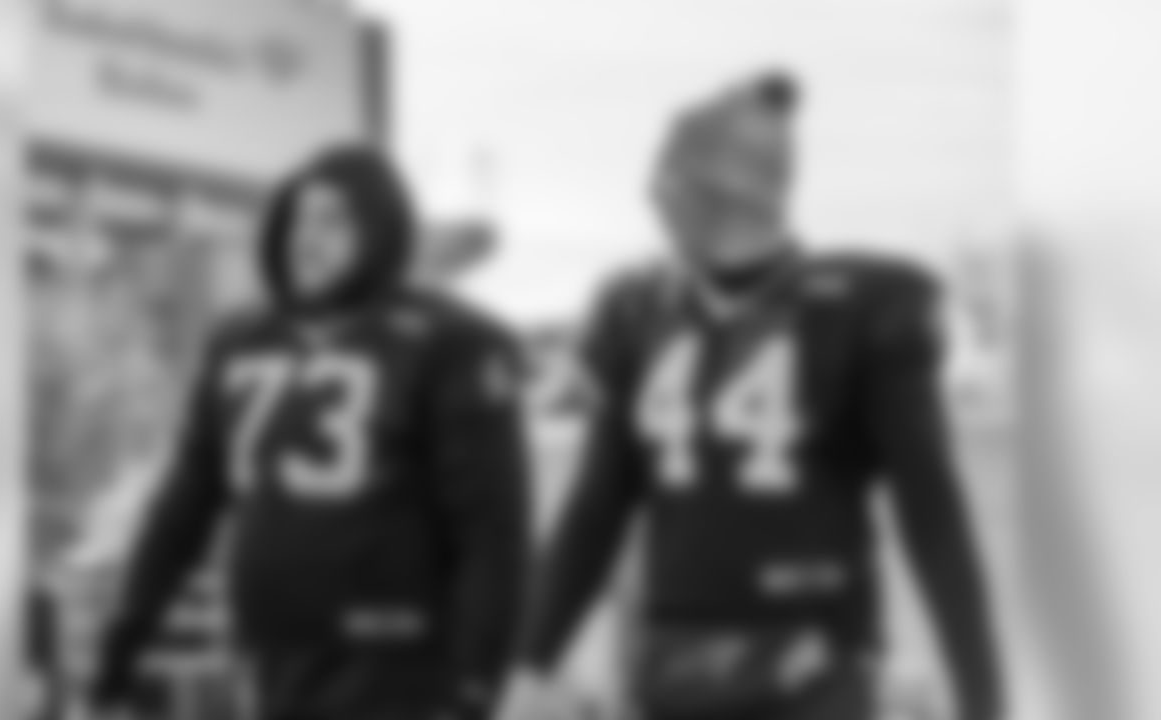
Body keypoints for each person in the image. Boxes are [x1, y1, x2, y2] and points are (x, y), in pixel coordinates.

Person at [503, 72, 1004, 720]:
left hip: (814, 668)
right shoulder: (636, 308)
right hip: (674, 668)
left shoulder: (862, 306)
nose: (655, 198)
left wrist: (981, 698)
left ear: (728, 188)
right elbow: (595, 509)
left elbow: (933, 517)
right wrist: (527, 665)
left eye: (672, 179)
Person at [86, 145, 530, 720]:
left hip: (399, 679)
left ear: (381, 228)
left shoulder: (450, 342)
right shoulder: (241, 339)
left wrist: (473, 690)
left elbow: (493, 535)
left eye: (333, 219)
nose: (307, 238)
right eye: (299, 218)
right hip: (273, 669)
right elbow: (181, 511)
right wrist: (119, 653)